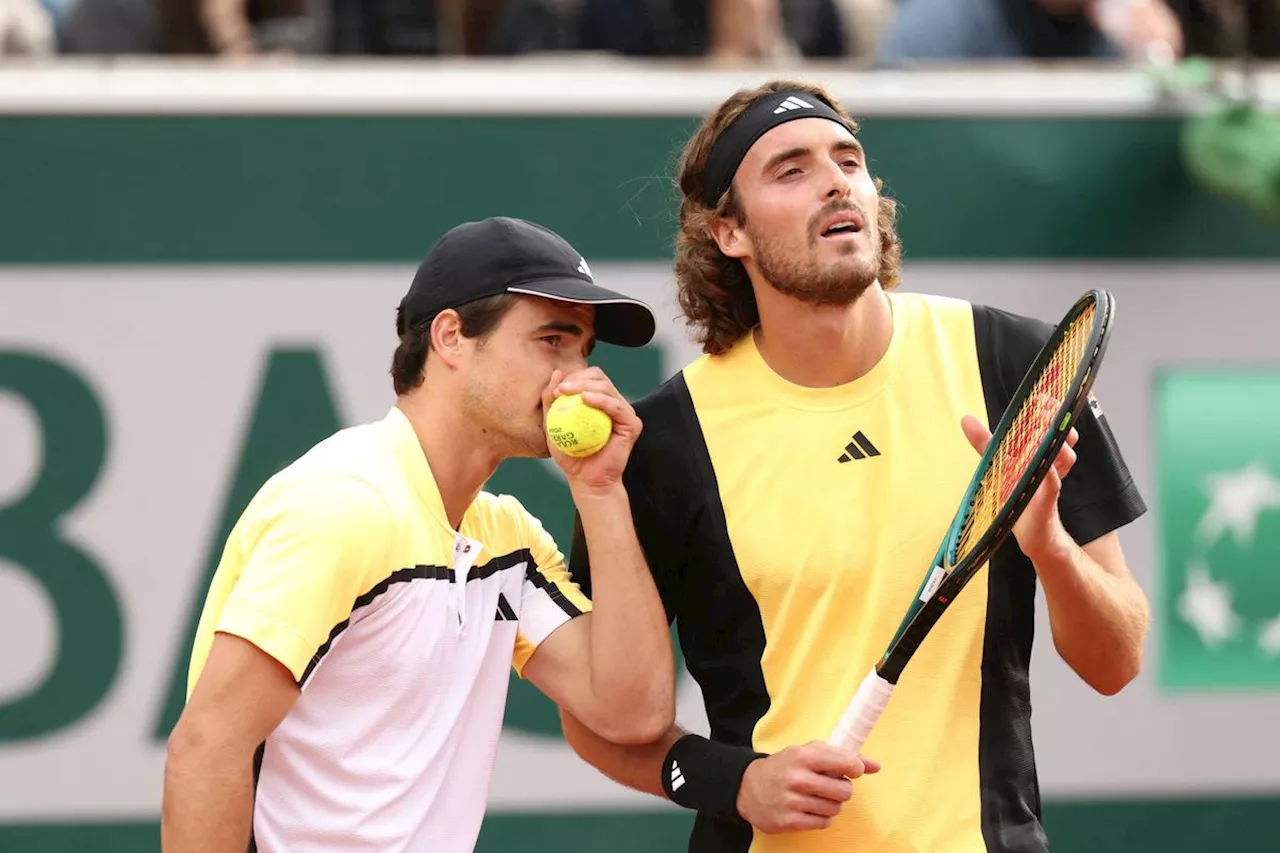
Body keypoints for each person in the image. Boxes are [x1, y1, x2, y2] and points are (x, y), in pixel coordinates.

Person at [560, 80, 1151, 853]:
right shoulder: (664, 443)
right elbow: (596, 720)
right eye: (791, 169)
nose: (837, 181)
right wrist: (733, 781)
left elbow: (1118, 660)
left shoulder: (1012, 364)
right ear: (728, 232)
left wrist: (1052, 549)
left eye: (850, 159)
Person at [161, 216, 675, 853]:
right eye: (551, 340)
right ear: (452, 337)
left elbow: (632, 713)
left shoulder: (505, 535)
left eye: (583, 351)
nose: (577, 378)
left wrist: (599, 491)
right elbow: (208, 745)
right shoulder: (346, 506)